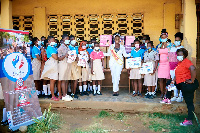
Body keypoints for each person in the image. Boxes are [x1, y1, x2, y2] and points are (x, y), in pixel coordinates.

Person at [161, 48, 199, 126]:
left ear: (184, 55)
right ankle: (167, 98)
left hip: (187, 85)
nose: (178, 56)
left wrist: (192, 80)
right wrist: (173, 80)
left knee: (189, 102)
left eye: (180, 55)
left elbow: (193, 69)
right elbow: (177, 73)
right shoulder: (180, 63)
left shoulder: (186, 62)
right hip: (180, 82)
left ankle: (189, 119)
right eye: (178, 55)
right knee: (169, 83)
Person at [41, 36, 59, 101]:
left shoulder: (53, 47)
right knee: (52, 80)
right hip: (52, 64)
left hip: (54, 64)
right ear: (49, 41)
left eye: (54, 41)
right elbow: (55, 57)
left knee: (53, 80)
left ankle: (52, 94)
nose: (54, 42)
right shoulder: (50, 48)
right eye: (52, 40)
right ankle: (53, 95)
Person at [168, 32, 184, 102]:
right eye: (175, 40)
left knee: (180, 81)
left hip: (179, 68)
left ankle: (180, 96)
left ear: (181, 41)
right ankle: (175, 95)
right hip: (172, 68)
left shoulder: (182, 49)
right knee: (173, 82)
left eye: (178, 40)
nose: (176, 41)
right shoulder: (172, 48)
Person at [157, 29, 170, 98]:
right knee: (161, 79)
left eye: (165, 37)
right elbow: (157, 55)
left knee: (167, 79)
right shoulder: (159, 46)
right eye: (162, 37)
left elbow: (171, 55)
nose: (163, 38)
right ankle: (162, 92)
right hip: (160, 64)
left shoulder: (170, 45)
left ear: (167, 37)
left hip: (167, 64)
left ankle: (167, 93)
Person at [57, 34, 70, 100]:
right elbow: (59, 58)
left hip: (66, 64)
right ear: (63, 40)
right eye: (66, 39)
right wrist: (65, 55)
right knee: (62, 80)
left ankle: (65, 94)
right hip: (62, 65)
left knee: (65, 80)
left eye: (68, 39)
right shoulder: (61, 48)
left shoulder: (67, 47)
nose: (68, 40)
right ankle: (64, 95)